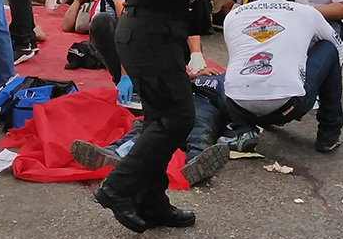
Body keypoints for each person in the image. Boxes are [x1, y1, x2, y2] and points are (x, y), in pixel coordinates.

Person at [93, 0, 222, 233]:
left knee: (161, 118)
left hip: (157, 33)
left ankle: (151, 199)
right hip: (150, 35)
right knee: (179, 116)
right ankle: (118, 188)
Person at [221, 0, 343, 153]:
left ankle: (244, 130)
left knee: (229, 75)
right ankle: (328, 135)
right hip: (290, 105)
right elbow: (340, 52)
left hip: (239, 106)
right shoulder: (307, 12)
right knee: (328, 49)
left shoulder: (233, 16)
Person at [70, 71, 231, 186]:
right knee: (150, 126)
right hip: (178, 100)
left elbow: (234, 103)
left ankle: (198, 161)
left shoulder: (228, 80)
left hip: (207, 105)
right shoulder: (201, 74)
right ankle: (115, 151)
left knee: (199, 128)